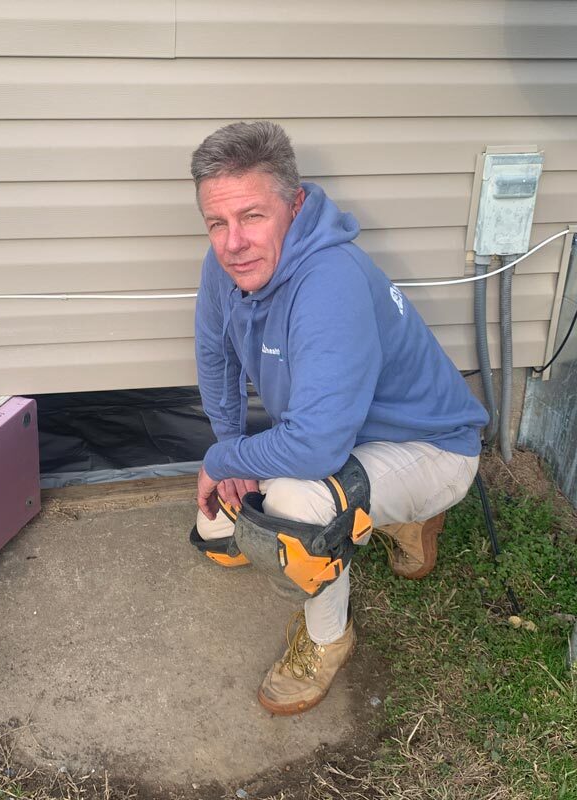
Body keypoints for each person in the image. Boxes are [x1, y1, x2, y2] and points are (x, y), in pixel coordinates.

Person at [189, 121, 488, 716]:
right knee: (220, 531)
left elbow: (318, 447)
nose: (232, 242)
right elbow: (214, 352)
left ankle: (328, 640)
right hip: (344, 439)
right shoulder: (227, 261)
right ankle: (401, 521)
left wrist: (223, 461)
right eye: (217, 222)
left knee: (294, 513)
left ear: (294, 207)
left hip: (431, 449)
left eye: (252, 216)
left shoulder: (330, 282)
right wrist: (226, 450)